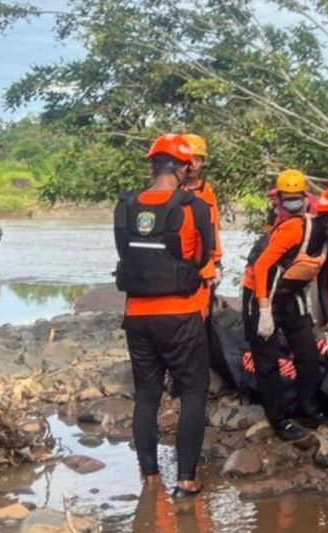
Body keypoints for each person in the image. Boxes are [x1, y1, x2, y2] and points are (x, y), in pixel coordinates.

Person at [114, 133, 214, 495]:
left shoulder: (125, 205)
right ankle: (187, 477)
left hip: (137, 315)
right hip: (181, 314)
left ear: (153, 165)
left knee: (147, 394)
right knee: (192, 392)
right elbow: (204, 257)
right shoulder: (194, 207)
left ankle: (150, 475)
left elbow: (124, 250)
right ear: (185, 167)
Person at [242, 172, 328, 441]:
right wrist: (263, 310)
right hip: (261, 294)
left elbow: (324, 285)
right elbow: (262, 266)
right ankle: (279, 419)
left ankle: (309, 407)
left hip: (290, 296)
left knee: (307, 353)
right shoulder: (295, 229)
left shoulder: (327, 244)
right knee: (268, 360)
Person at [182, 134, 223, 319]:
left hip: (205, 267)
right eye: (189, 159)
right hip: (180, 266)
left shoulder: (207, 191)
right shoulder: (171, 191)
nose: (193, 164)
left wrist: (217, 263)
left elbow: (213, 229)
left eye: (197, 159)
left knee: (203, 320)